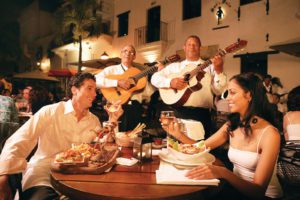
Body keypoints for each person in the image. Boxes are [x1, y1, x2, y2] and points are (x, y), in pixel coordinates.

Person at [0, 72, 123, 200]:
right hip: (44, 174)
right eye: (89, 88)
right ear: (74, 90)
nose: (94, 94)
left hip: (78, 177)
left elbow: (103, 146)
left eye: (95, 90)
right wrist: (3, 176)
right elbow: (20, 140)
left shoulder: (94, 121)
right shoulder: (50, 112)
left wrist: (113, 120)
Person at [164, 73, 283, 199]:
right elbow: (201, 147)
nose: (227, 98)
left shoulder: (269, 134)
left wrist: (223, 172)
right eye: (227, 93)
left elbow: (258, 192)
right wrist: (178, 134)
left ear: (249, 95)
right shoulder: (233, 124)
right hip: (236, 191)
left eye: (232, 92)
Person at [151, 35, 226, 136]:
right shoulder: (175, 67)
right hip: (177, 113)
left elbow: (218, 91)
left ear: (200, 48)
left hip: (201, 115)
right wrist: (171, 82)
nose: (192, 47)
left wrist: (219, 70)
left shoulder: (210, 67)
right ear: (184, 47)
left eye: (195, 44)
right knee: (176, 147)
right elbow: (154, 78)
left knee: (199, 148)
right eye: (189, 44)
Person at [95, 45, 144, 131]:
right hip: (115, 107)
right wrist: (116, 82)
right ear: (121, 54)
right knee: (114, 134)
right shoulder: (111, 70)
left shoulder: (137, 72)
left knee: (133, 136)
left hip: (133, 109)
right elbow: (95, 80)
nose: (127, 54)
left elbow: (145, 92)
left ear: (134, 56)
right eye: (125, 51)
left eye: (131, 52)